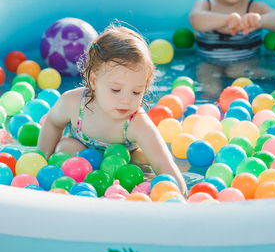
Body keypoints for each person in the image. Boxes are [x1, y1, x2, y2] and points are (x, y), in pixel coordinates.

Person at [38, 25, 187, 195]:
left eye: (136, 92)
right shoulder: (73, 103)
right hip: (81, 156)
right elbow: (52, 122)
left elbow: (162, 162)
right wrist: (42, 159)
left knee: (144, 159)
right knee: (66, 148)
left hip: (123, 164)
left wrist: (179, 195)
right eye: (116, 90)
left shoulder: (136, 122)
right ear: (93, 81)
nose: (126, 100)